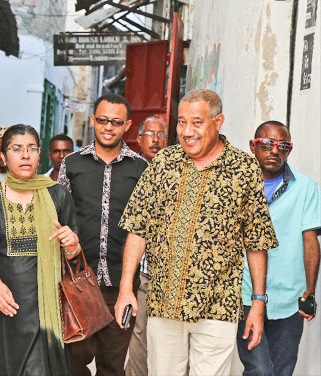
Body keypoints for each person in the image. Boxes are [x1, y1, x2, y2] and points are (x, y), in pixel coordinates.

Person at [115, 88, 278, 375]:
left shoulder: (244, 170)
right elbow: (137, 229)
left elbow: (256, 241)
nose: (187, 131)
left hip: (218, 306)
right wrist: (126, 288)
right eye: (181, 122)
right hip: (164, 301)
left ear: (218, 122)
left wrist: (258, 304)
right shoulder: (163, 164)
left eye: (197, 123)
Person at [0, 124, 80, 375]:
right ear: (3, 156)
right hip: (4, 302)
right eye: (17, 149)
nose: (25, 155)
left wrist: (72, 243)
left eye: (32, 148)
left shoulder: (58, 195)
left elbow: (74, 253)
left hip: (48, 306)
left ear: (40, 155)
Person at [58, 93, 148, 375]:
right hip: (77, 283)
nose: (109, 127)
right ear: (94, 121)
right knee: (72, 361)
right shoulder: (72, 165)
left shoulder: (141, 169)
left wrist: (129, 286)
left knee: (112, 365)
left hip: (121, 287)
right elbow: (59, 219)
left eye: (116, 122)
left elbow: (145, 228)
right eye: (103, 120)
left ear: (128, 125)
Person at [237, 121, 321, 376]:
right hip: (245, 294)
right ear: (253, 146)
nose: (275, 151)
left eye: (283, 146)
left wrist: (309, 291)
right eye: (267, 144)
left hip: (289, 298)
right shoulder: (237, 186)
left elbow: (310, 242)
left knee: (282, 371)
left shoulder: (306, 188)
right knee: (259, 370)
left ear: (289, 150)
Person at [125, 115, 168, 376]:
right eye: (150, 134)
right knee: (137, 337)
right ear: (139, 139)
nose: (156, 139)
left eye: (161, 134)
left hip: (163, 272)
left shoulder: (176, 170)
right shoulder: (129, 169)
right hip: (137, 270)